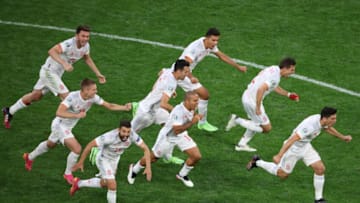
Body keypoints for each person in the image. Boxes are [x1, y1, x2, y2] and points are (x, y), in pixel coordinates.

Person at [22, 78, 131, 185]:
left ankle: (29, 157)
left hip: (67, 127)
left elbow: (109, 106)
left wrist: (124, 108)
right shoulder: (72, 97)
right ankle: (68, 174)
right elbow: (59, 112)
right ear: (86, 90)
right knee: (77, 148)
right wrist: (76, 115)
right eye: (94, 89)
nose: (96, 91)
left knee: (50, 144)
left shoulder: (93, 98)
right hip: (60, 125)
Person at [2, 25, 106, 129]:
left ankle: (9, 111)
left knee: (36, 96)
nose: (85, 39)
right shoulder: (69, 44)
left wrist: (98, 73)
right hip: (49, 72)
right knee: (67, 97)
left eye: (87, 36)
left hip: (56, 74)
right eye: (83, 36)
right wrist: (64, 63)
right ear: (77, 35)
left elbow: (87, 58)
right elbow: (51, 51)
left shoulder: (86, 46)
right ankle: (62, 130)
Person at [246, 107, 352, 203]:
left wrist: (342, 137)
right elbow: (292, 140)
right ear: (325, 118)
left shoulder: (321, 120)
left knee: (320, 169)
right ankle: (257, 162)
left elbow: (327, 128)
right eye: (333, 118)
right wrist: (279, 155)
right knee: (283, 174)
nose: (335, 121)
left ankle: (318, 199)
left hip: (305, 147)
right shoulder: (310, 126)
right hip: (293, 149)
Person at [127, 91, 203, 188]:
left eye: (198, 101)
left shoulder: (191, 107)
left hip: (181, 135)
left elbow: (189, 118)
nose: (197, 103)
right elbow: (176, 130)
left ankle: (182, 175)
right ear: (187, 101)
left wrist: (196, 116)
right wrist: (193, 122)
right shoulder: (178, 112)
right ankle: (134, 169)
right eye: (195, 101)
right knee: (153, 158)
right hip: (168, 137)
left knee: (196, 156)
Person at [225, 57, 299, 152]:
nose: (293, 72)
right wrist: (258, 107)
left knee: (255, 122)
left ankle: (241, 145)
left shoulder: (273, 68)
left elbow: (271, 85)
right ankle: (237, 120)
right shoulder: (275, 77)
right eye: (291, 70)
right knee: (266, 128)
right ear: (285, 68)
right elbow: (261, 89)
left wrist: (288, 94)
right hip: (252, 101)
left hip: (247, 96)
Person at [70, 120, 152, 203]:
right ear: (119, 130)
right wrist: (81, 162)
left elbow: (146, 149)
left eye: (128, 132)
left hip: (115, 159)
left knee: (106, 183)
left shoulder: (132, 135)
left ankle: (78, 183)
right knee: (112, 185)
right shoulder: (109, 136)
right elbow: (90, 145)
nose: (126, 134)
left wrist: (148, 167)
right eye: (124, 131)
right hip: (103, 159)